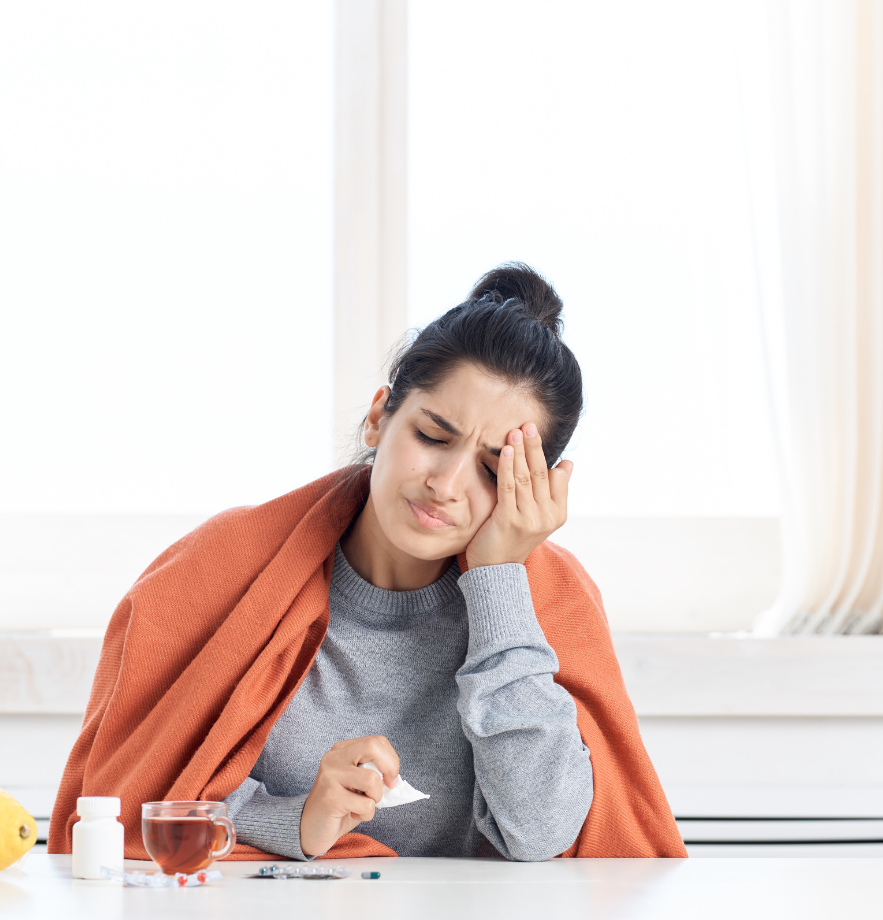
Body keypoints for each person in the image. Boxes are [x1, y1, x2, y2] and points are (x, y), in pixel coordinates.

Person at [49, 263, 685, 861]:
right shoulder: (218, 572)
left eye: (493, 469)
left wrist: (498, 582)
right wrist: (295, 820)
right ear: (380, 416)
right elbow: (132, 805)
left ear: (534, 489)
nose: (447, 483)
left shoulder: (549, 603)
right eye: (432, 437)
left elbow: (543, 834)